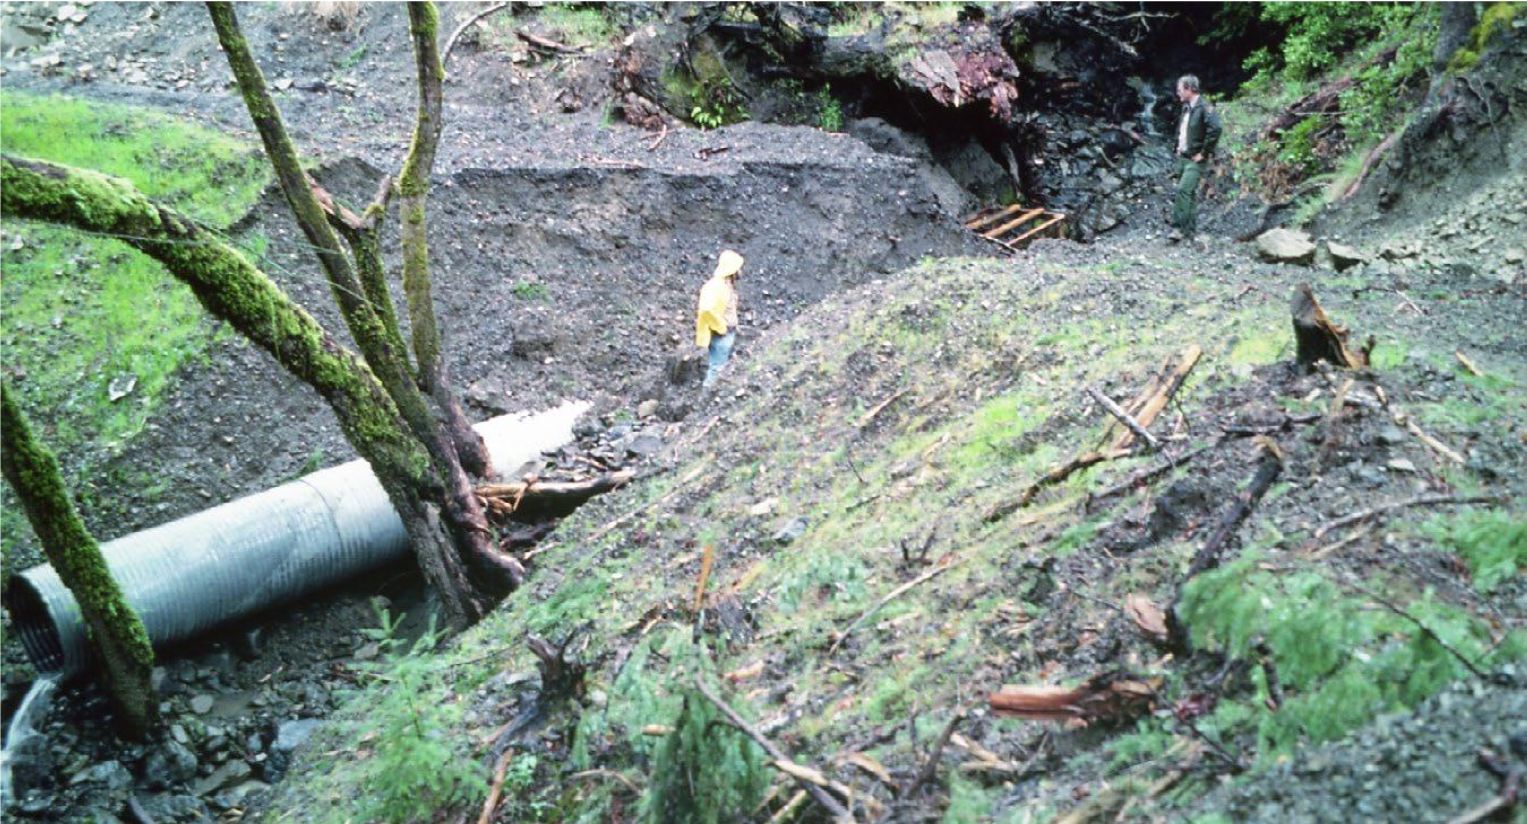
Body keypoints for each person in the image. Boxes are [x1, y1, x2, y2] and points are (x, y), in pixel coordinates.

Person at [1169, 74, 1221, 243]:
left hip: (1195, 158)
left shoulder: (1205, 106)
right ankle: (1190, 230)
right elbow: (1184, 130)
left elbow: (1216, 129)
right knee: (1189, 194)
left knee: (1183, 190)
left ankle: (1177, 228)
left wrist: (1204, 153)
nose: (1178, 93)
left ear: (1190, 89)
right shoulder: (1186, 107)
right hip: (1183, 156)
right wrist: (1178, 147)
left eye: (1180, 89)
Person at [695, 249, 744, 389]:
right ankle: (706, 401)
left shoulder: (725, 286)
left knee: (721, 368)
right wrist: (721, 327)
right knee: (717, 369)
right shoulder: (715, 286)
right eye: (738, 268)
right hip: (721, 335)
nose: (741, 271)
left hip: (727, 333)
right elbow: (706, 309)